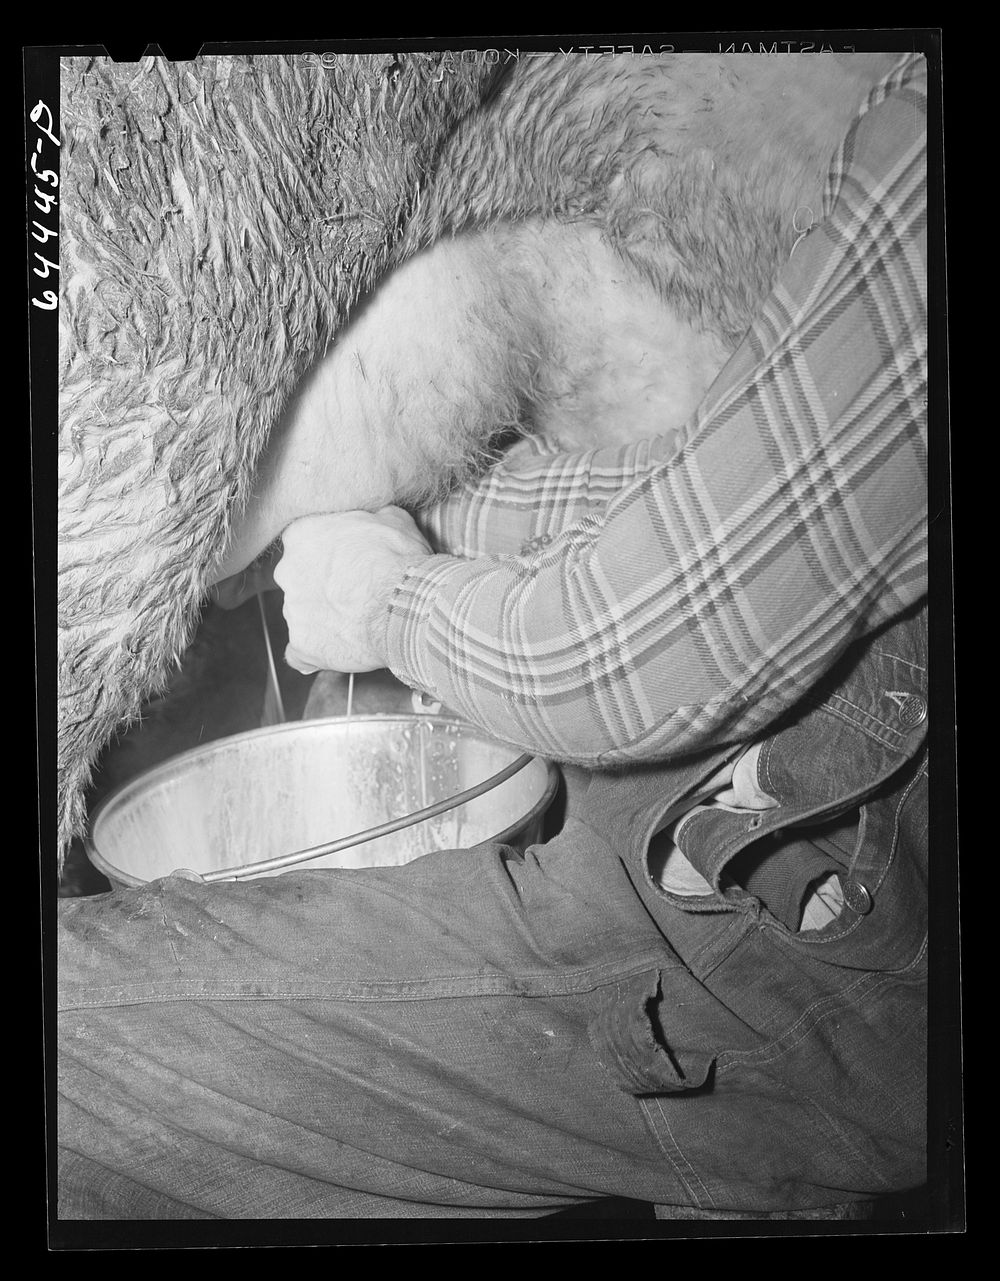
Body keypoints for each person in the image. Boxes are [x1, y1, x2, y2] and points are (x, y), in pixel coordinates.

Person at [56, 55, 929, 1221]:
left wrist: (389, 605)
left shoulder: (924, 152)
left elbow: (629, 657)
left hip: (788, 963)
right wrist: (417, 517)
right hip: (749, 833)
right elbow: (704, 487)